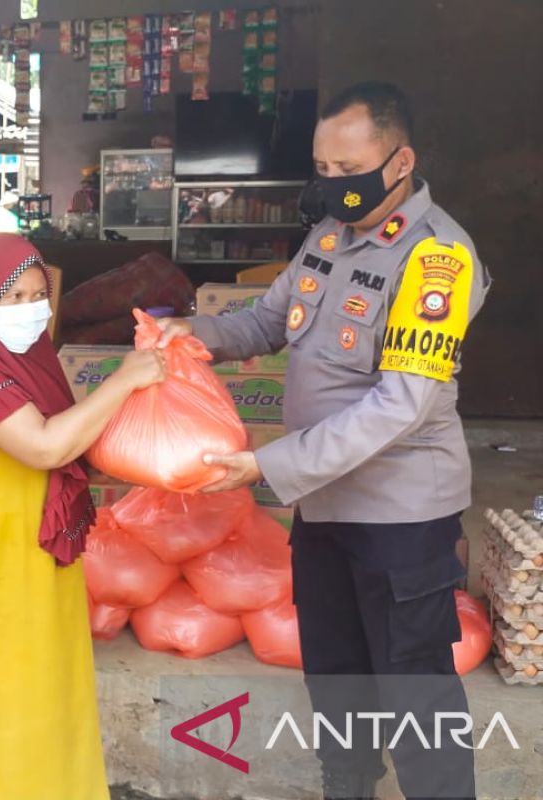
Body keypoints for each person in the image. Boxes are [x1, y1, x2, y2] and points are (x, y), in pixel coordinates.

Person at [157, 82, 490, 800]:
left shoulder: (438, 261)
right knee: (336, 676)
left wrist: (264, 466)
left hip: (400, 518)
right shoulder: (327, 239)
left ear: (400, 161)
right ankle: (349, 787)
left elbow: (399, 405)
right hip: (326, 511)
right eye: (323, 170)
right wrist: (192, 335)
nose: (332, 186)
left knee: (414, 692)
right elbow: (266, 323)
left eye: (348, 171)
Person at [0, 234, 165, 799]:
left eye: (37, 295)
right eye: (14, 298)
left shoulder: (32, 360)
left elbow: (76, 437)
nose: (32, 310)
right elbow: (48, 447)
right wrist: (124, 379)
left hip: (37, 548)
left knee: (49, 693)